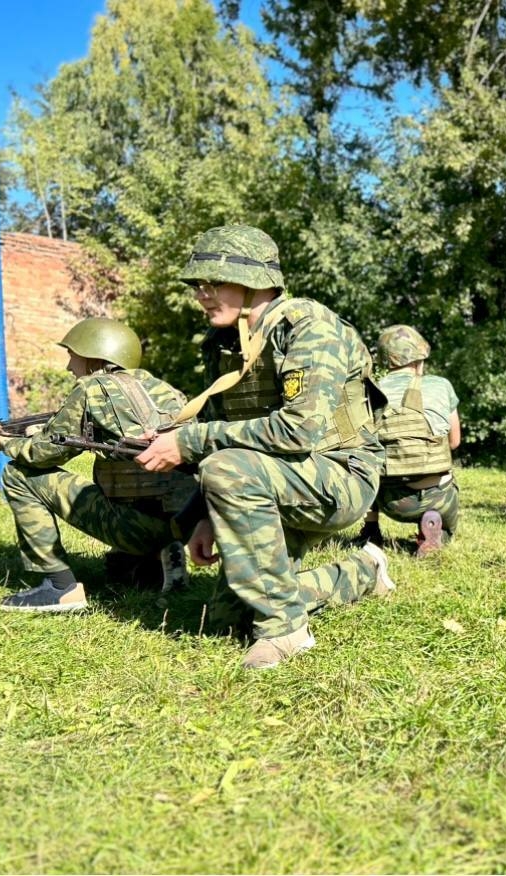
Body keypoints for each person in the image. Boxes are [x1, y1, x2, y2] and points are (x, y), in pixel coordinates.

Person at [136, 225, 394, 670]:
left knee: (226, 472)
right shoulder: (225, 345)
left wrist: (188, 442)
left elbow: (298, 432)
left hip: (340, 475)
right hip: (274, 480)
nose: (202, 293)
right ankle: (362, 572)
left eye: (213, 282)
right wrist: (204, 514)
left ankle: (285, 629)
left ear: (254, 280)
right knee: (224, 618)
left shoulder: (310, 327)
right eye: (198, 284)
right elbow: (224, 431)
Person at [0, 318, 194, 612]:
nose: (69, 366)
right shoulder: (162, 388)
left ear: (94, 356)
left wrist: (2, 443)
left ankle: (59, 587)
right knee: (120, 569)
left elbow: (44, 454)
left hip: (137, 527)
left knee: (18, 473)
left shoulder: (92, 389)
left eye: (72, 354)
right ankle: (160, 554)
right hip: (187, 522)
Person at [359, 324, 461, 557]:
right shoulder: (441, 385)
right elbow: (454, 442)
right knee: (447, 489)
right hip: (437, 495)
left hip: (389, 500)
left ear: (386, 361)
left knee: (368, 457)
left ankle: (371, 530)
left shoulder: (370, 390)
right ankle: (437, 529)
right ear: (420, 358)